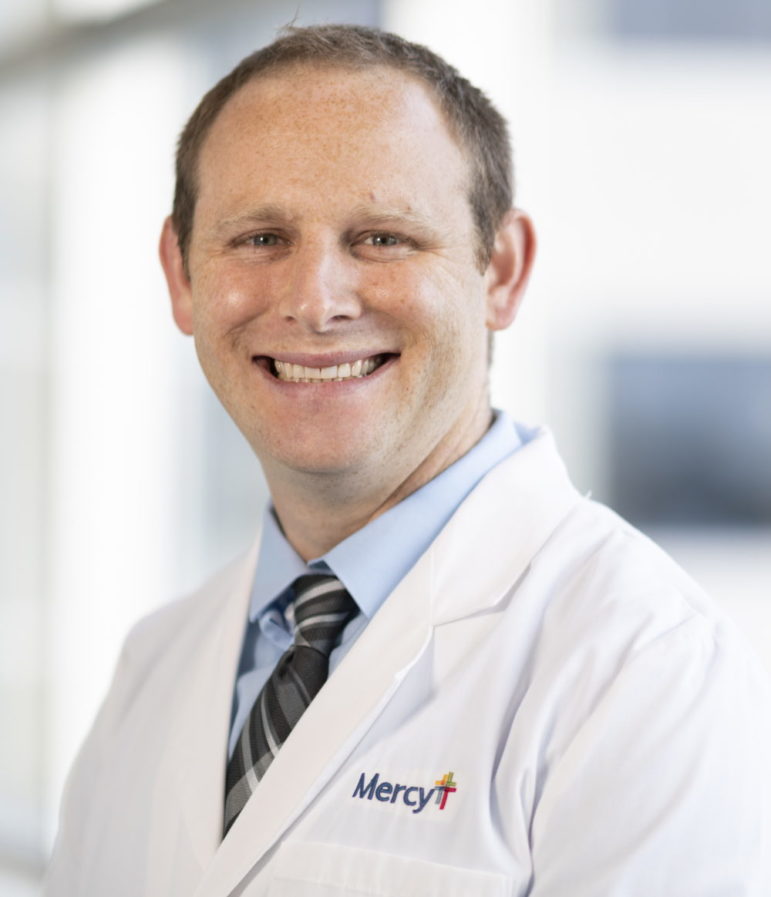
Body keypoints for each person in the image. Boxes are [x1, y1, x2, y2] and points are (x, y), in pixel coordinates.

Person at [45, 24, 770, 897]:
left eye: (381, 237)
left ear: (499, 270)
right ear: (181, 275)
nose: (315, 302)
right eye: (260, 238)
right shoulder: (155, 664)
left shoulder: (639, 668)